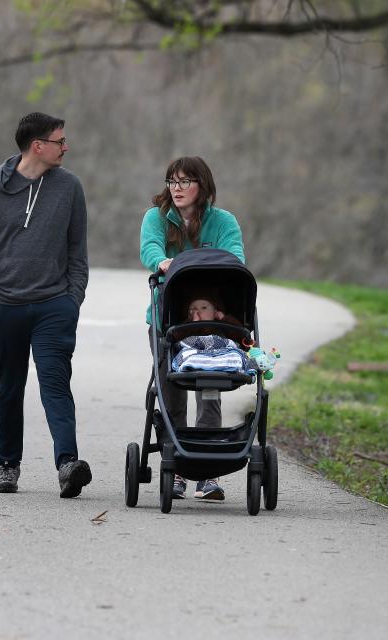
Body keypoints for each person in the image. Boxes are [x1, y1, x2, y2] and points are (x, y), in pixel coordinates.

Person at [0, 112, 92, 498]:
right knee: (8, 387)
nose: (66, 147)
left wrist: (73, 299)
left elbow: (77, 251)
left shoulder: (69, 187)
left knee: (55, 383)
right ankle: (8, 467)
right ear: (38, 146)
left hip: (54, 305)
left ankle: (67, 464)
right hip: (2, 307)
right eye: (60, 141)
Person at [139, 156, 245, 501]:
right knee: (172, 391)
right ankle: (179, 468)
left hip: (211, 321)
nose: (177, 189)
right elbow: (150, 249)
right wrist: (164, 261)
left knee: (210, 386)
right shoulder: (156, 218)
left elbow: (235, 259)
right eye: (172, 182)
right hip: (169, 319)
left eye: (185, 182)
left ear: (203, 185)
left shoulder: (223, 222)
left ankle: (208, 473)